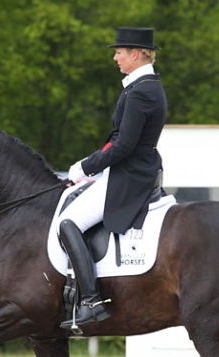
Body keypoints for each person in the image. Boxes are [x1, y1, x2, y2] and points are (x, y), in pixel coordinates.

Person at [58, 26, 167, 331]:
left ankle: (91, 301)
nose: (116, 58)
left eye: (119, 52)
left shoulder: (142, 91)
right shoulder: (140, 86)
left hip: (130, 175)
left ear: (135, 54)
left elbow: (124, 146)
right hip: (129, 169)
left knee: (69, 223)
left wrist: (86, 167)